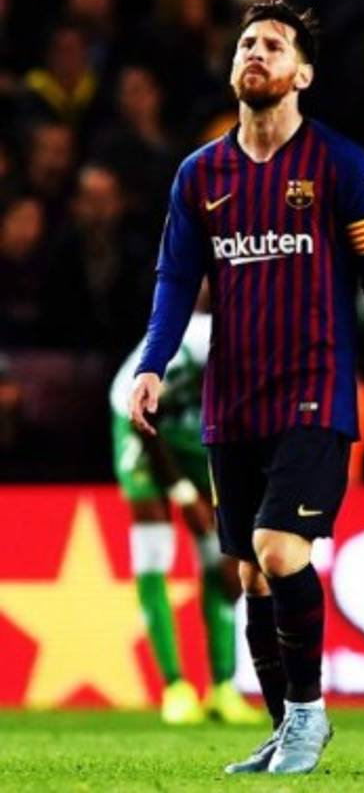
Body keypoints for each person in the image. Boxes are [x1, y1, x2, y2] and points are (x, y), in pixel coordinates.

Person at [128, 1, 364, 774]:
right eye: (247, 43)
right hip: (233, 397)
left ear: (303, 74)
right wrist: (152, 363)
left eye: (274, 45)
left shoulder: (343, 165)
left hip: (314, 390)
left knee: (278, 548)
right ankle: (283, 724)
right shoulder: (201, 175)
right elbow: (175, 279)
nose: (256, 52)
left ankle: (309, 717)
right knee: (250, 571)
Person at [109, 293, 260, 726]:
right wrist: (181, 492)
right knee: (154, 546)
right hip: (141, 430)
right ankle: (175, 687)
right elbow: (137, 408)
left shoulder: (267, 360)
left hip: (199, 439)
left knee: (222, 558)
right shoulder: (194, 342)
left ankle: (223, 688)